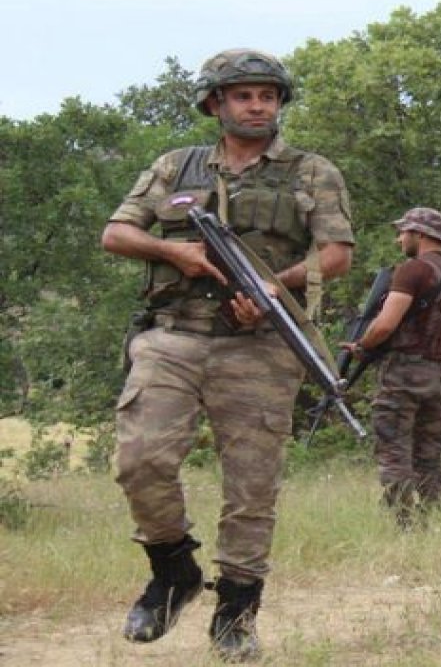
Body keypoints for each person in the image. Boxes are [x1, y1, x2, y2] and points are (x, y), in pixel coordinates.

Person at [101, 48, 354, 662]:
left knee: (251, 488)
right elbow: (117, 232)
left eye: (268, 94)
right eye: (243, 94)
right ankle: (173, 573)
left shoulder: (311, 171)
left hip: (261, 344)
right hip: (173, 335)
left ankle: (236, 612)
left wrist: (275, 287)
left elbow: (336, 254)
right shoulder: (175, 166)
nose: (257, 104)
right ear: (215, 103)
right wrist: (176, 254)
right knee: (139, 460)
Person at [341, 207, 441, 529]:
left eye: (404, 232)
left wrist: (362, 346)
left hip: (404, 374)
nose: (399, 239)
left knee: (394, 449)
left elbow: (385, 325)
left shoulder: (412, 270)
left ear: (420, 234)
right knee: (429, 454)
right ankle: (430, 518)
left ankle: (403, 523)